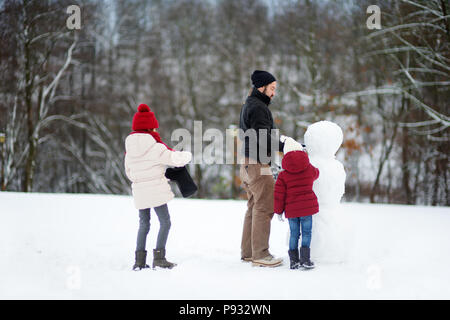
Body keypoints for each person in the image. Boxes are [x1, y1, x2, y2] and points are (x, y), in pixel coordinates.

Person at [124, 104, 192, 270]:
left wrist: (141, 180)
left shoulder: (129, 149)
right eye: (154, 126)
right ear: (149, 127)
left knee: (144, 224)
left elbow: (129, 172)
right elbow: (175, 159)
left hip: (139, 190)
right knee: (165, 222)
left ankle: (139, 261)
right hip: (156, 190)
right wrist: (188, 155)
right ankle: (159, 258)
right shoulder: (156, 147)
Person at [238, 70, 288, 267]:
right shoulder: (258, 107)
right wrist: (286, 145)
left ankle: (249, 252)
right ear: (262, 87)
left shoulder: (249, 104)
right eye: (272, 88)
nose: (274, 93)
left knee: (253, 206)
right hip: (258, 164)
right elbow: (262, 137)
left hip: (247, 163)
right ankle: (260, 254)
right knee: (265, 206)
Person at [274, 138, 320, 269]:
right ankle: (305, 259)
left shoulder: (283, 175)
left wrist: (278, 211)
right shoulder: (309, 168)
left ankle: (294, 261)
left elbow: (279, 195)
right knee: (306, 233)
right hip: (307, 209)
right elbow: (317, 173)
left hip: (292, 210)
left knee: (294, 234)